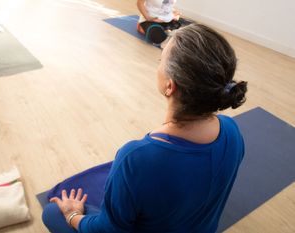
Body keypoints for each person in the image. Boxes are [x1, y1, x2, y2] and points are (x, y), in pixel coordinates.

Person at [42, 23, 248, 233]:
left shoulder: (137, 158)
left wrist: (72, 215)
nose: (158, 65)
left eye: (161, 61)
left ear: (170, 85)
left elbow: (108, 230)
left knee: (51, 213)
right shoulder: (232, 131)